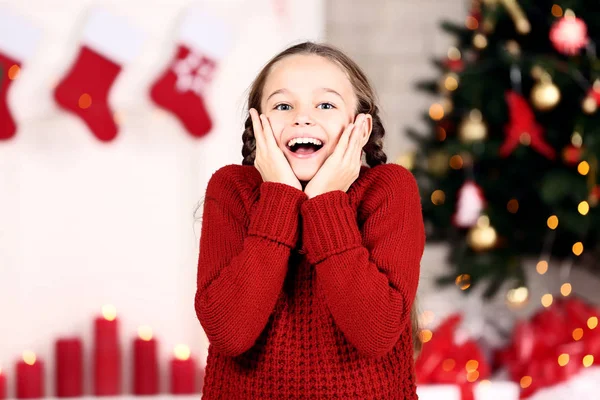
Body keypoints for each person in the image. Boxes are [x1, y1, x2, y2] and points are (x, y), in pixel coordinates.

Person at [195, 41, 425, 399]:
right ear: (258, 125)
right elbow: (229, 333)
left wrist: (325, 202)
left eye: (326, 104)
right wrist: (280, 197)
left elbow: (376, 333)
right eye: (283, 105)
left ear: (360, 128)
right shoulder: (231, 188)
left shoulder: (390, 189)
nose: (302, 117)